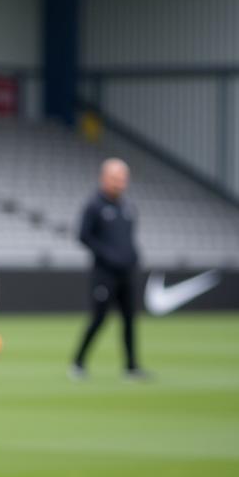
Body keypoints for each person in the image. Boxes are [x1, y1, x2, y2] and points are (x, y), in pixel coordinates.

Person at [70, 157, 146, 379]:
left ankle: (131, 366)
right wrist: (108, 255)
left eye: (122, 178)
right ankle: (78, 363)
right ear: (104, 178)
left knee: (130, 319)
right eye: (114, 178)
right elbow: (83, 235)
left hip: (127, 272)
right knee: (99, 318)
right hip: (104, 274)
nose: (118, 182)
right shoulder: (94, 205)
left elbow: (129, 238)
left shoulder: (128, 207)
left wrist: (133, 256)